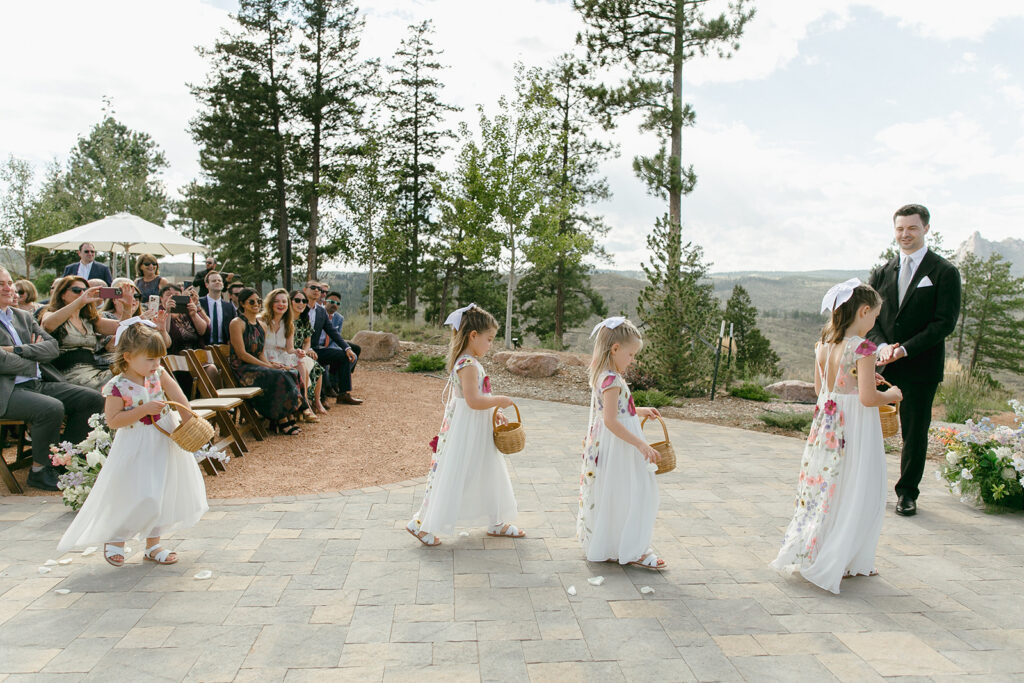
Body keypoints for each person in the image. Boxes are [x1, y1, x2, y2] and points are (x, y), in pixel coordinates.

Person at [770, 281, 903, 594]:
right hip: (855, 425)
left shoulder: (824, 343)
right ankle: (844, 558)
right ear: (864, 311)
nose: (875, 324)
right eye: (875, 317)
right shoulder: (864, 347)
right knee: (858, 486)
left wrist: (864, 380)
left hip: (829, 420)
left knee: (830, 486)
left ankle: (825, 551)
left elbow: (822, 389)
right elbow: (869, 398)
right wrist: (892, 394)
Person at [56, 320, 208, 567]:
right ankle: (117, 538)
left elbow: (179, 396)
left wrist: (188, 417)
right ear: (127, 357)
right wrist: (143, 410)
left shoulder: (158, 373)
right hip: (136, 441)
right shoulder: (118, 386)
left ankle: (153, 544)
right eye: (149, 359)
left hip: (163, 437)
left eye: (158, 359)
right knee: (137, 491)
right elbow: (114, 421)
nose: (156, 365)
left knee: (161, 489)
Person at [868, 204, 961, 517]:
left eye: (912, 228)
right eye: (900, 229)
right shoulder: (881, 272)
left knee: (914, 432)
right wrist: (881, 347)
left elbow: (944, 322)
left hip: (921, 366)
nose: (905, 234)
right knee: (869, 428)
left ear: (926, 229)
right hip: (882, 365)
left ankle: (907, 493)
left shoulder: (944, 272)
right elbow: (870, 317)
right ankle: (867, 489)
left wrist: (905, 348)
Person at [407, 304, 522, 546]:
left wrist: (495, 411)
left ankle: (496, 520)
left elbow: (478, 398)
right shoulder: (467, 364)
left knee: (488, 470)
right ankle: (421, 523)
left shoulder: (468, 361)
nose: (490, 345)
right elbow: (472, 400)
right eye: (489, 339)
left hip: (476, 426)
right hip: (467, 430)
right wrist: (500, 400)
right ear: (473, 336)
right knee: (457, 473)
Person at [0, 267, 105, 491]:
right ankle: (40, 470)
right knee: (51, 408)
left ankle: (66, 462)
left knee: (92, 399)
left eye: (9, 283)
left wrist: (16, 351)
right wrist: (32, 354)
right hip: (7, 391)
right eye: (1, 284)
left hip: (36, 384)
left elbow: (52, 348)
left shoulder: (23, 316)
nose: (8, 288)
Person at [577, 317, 666, 570]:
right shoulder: (612, 380)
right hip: (621, 445)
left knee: (617, 491)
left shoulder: (607, 376)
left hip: (614, 443)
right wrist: (641, 444)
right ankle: (633, 548)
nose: (633, 359)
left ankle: (615, 543)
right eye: (631, 354)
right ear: (615, 349)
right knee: (636, 491)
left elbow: (617, 410)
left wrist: (640, 410)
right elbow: (611, 421)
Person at [228, 287, 304, 435]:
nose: (256, 304)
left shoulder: (261, 325)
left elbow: (261, 353)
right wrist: (268, 366)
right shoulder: (237, 323)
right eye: (251, 301)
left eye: (258, 301)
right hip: (243, 369)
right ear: (242, 303)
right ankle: (282, 420)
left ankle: (286, 415)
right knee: (278, 375)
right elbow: (242, 354)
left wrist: (271, 365)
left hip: (258, 366)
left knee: (291, 372)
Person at [40, 277, 122, 391]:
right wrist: (80, 301)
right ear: (62, 294)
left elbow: (121, 328)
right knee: (114, 386)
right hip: (68, 374)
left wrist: (127, 306)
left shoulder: (88, 319)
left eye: (85, 290)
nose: (82, 293)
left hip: (93, 370)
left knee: (128, 376)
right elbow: (47, 324)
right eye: (77, 290)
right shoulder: (51, 314)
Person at [259, 288, 317, 423]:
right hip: (265, 356)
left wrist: (298, 352)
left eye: (284, 302)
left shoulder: (288, 323)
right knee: (291, 369)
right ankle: (301, 407)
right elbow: (258, 349)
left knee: (301, 362)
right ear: (270, 303)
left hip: (281, 354)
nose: (281, 305)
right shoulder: (262, 321)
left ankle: (304, 404)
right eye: (277, 301)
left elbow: (290, 349)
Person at [301, 281, 363, 405]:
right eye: (313, 287)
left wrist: (346, 348)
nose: (317, 290)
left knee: (343, 355)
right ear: (305, 290)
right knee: (314, 361)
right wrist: (305, 349)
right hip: (300, 349)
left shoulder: (321, 311)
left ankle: (343, 394)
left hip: (316, 349)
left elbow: (333, 332)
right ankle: (320, 398)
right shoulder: (299, 307)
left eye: (319, 289)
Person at [289, 289, 327, 415]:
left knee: (317, 367)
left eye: (304, 301)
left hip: (301, 352)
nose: (301, 303)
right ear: (290, 302)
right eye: (297, 300)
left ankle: (317, 401)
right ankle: (305, 404)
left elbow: (307, 341)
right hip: (288, 353)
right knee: (304, 365)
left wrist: (305, 352)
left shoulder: (304, 320)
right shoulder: (286, 321)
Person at [199, 271, 235, 346]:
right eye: (214, 281)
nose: (217, 282)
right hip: (203, 346)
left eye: (219, 280)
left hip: (224, 346)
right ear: (206, 285)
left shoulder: (229, 307)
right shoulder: (199, 304)